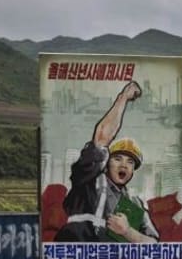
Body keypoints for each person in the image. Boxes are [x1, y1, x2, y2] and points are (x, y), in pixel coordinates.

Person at [54, 81, 159, 243]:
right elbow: (102, 138)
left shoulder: (134, 203)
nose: (124, 165)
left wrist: (127, 232)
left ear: (133, 170)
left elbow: (153, 244)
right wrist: (123, 98)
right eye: (117, 158)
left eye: (130, 162)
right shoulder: (88, 182)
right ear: (106, 163)